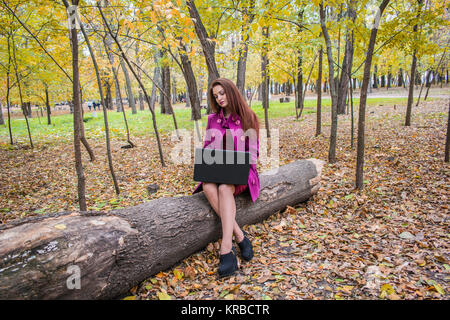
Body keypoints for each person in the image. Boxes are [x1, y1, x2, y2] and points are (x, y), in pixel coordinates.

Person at [193, 78, 261, 278]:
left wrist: (236, 165)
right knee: (208, 185)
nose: (219, 98)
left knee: (224, 188)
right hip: (218, 168)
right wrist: (208, 160)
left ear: (231, 91)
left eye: (222, 93)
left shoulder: (248, 117)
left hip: (242, 171)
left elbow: (253, 153)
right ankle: (240, 235)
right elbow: (207, 148)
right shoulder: (213, 119)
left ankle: (226, 248)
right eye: (215, 96)